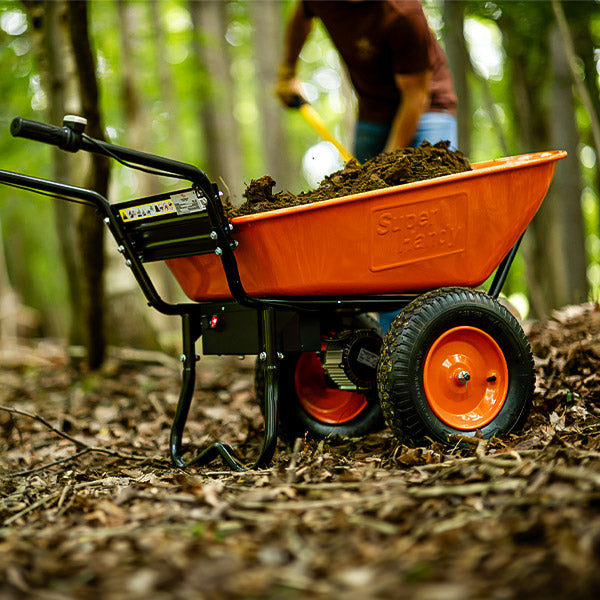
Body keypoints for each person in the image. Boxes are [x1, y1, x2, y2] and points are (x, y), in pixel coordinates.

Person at [275, 0, 458, 164]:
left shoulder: (404, 12)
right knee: (360, 194)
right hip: (373, 108)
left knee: (435, 183)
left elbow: (416, 96)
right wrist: (287, 72)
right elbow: (302, 15)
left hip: (428, 106)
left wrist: (387, 164)